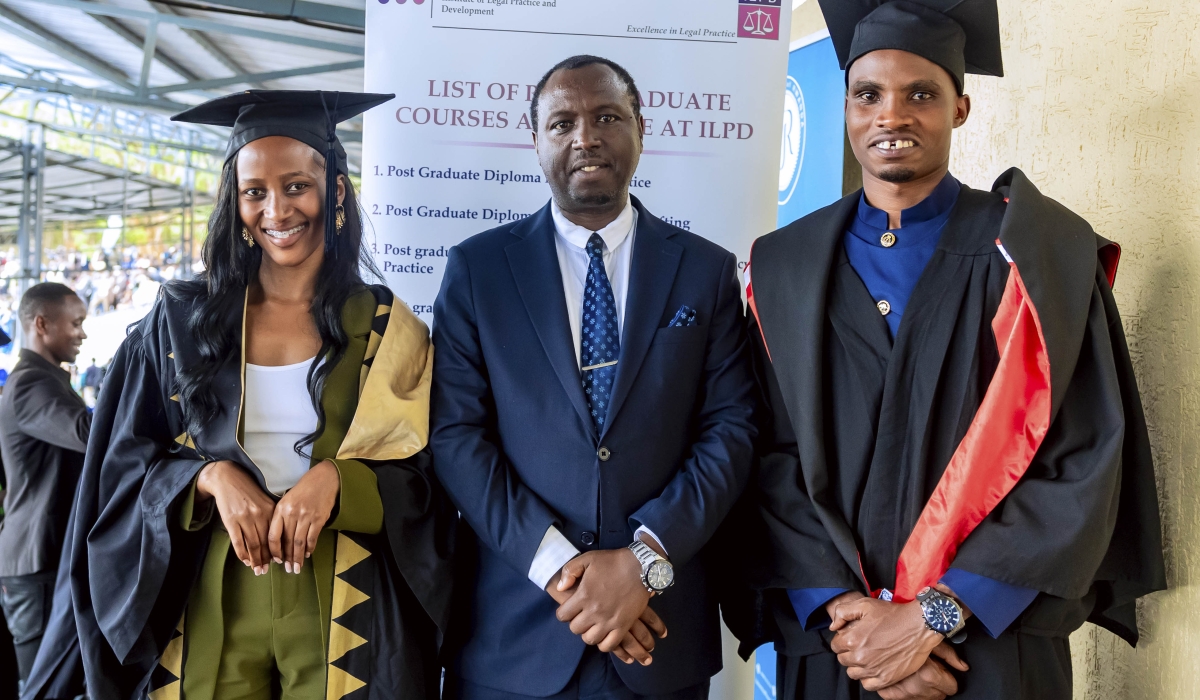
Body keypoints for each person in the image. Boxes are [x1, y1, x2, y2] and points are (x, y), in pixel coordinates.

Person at [733, 1, 1167, 699]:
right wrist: (851, 623)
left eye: (921, 95)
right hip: (837, 650)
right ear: (844, 108)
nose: (891, 117)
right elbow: (763, 454)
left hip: (993, 644)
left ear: (960, 108)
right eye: (868, 95)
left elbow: (1083, 459)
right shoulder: (784, 268)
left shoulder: (1032, 258)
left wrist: (934, 616)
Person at [58, 90, 456, 700]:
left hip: (346, 599)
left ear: (338, 192)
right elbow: (118, 467)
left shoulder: (383, 327)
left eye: (298, 185)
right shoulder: (180, 326)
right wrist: (207, 479)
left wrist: (338, 482)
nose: (277, 209)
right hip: (203, 592)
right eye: (255, 192)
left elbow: (428, 475)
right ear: (235, 200)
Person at [431, 55, 757, 700]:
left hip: (659, 632)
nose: (586, 136)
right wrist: (564, 572)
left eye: (607, 116)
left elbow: (732, 430)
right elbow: (456, 437)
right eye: (562, 123)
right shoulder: (478, 272)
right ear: (536, 141)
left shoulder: (706, 271)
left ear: (641, 126)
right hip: (514, 638)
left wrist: (642, 563)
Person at [0, 283, 90, 689]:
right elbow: (88, 432)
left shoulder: (47, 380)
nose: (82, 333)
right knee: (41, 684)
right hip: (35, 561)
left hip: (47, 555)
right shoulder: (29, 385)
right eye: (76, 323)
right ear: (42, 324)